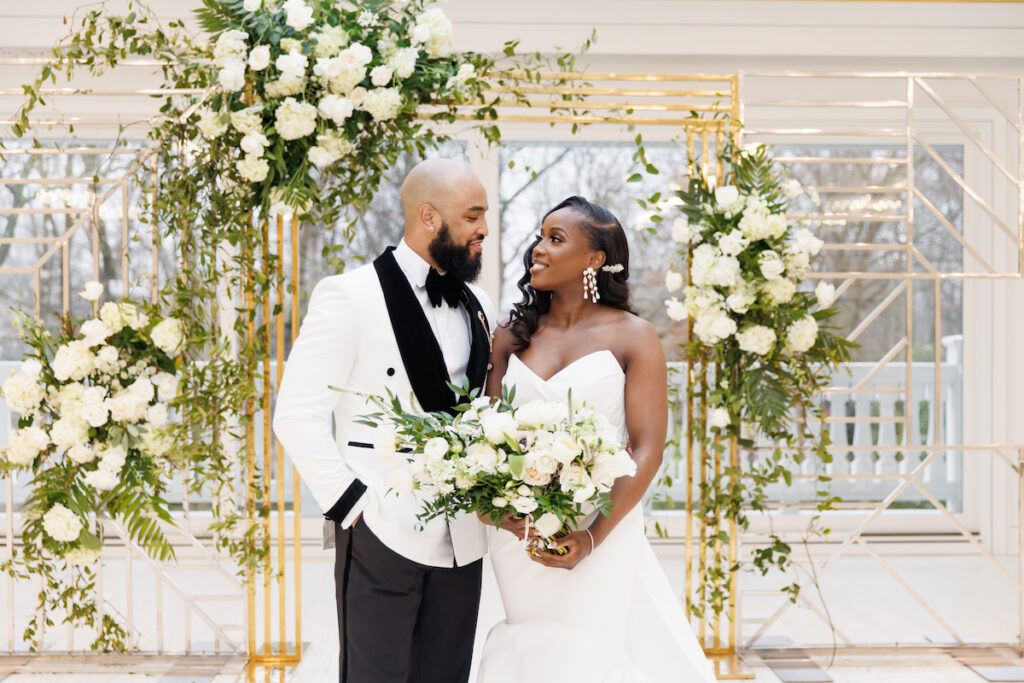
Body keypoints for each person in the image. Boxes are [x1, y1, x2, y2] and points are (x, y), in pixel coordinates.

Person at [273, 158, 497, 683]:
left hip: (462, 536)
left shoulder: (479, 302)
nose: (484, 228)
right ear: (429, 218)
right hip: (380, 528)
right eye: (472, 216)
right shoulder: (349, 296)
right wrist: (353, 506)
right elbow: (297, 413)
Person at [476, 196, 716, 682]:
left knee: (588, 652)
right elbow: (488, 437)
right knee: (533, 648)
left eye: (555, 239)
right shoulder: (510, 335)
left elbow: (647, 447)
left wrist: (591, 536)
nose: (537, 249)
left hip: (601, 526)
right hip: (517, 535)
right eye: (539, 236)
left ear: (595, 260)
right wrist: (495, 511)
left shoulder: (634, 336)